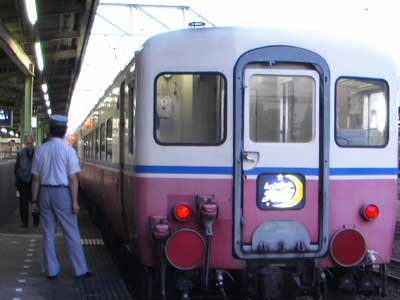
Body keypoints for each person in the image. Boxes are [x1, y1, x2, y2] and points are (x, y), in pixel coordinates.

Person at [31, 115, 92, 279]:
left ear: (50, 130)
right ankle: (80, 270)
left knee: (48, 233)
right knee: (71, 231)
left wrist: (35, 201)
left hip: (44, 193)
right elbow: (73, 178)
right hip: (62, 193)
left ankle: (51, 270)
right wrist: (74, 201)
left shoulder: (40, 150)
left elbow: (35, 179)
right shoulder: (68, 151)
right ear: (64, 131)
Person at [14, 134, 39, 227]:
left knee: (35, 201)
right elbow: (16, 168)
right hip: (23, 182)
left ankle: (36, 221)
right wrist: (17, 183)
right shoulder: (20, 153)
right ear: (25, 143)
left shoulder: (38, 152)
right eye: (27, 143)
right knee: (23, 203)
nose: (29, 145)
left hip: (35, 181)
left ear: (33, 142)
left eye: (30, 143)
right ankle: (25, 222)